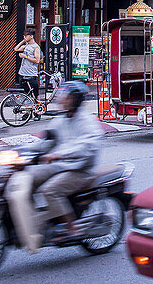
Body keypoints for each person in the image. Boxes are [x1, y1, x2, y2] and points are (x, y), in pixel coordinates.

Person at [6, 81, 101, 252]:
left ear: (76, 100)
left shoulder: (87, 122)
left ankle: (71, 227)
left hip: (79, 170)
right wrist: (21, 152)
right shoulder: (61, 120)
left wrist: (59, 154)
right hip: (60, 166)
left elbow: (85, 148)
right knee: (29, 179)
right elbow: (46, 142)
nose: (62, 100)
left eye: (67, 97)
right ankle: (36, 221)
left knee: (50, 190)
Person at [15, 30, 42, 97]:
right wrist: (23, 41)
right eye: (24, 36)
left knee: (35, 95)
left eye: (26, 36)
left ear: (31, 36)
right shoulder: (26, 46)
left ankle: (35, 106)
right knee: (24, 94)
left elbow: (37, 60)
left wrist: (26, 56)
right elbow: (16, 49)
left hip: (31, 74)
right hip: (22, 73)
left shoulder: (36, 47)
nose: (24, 37)